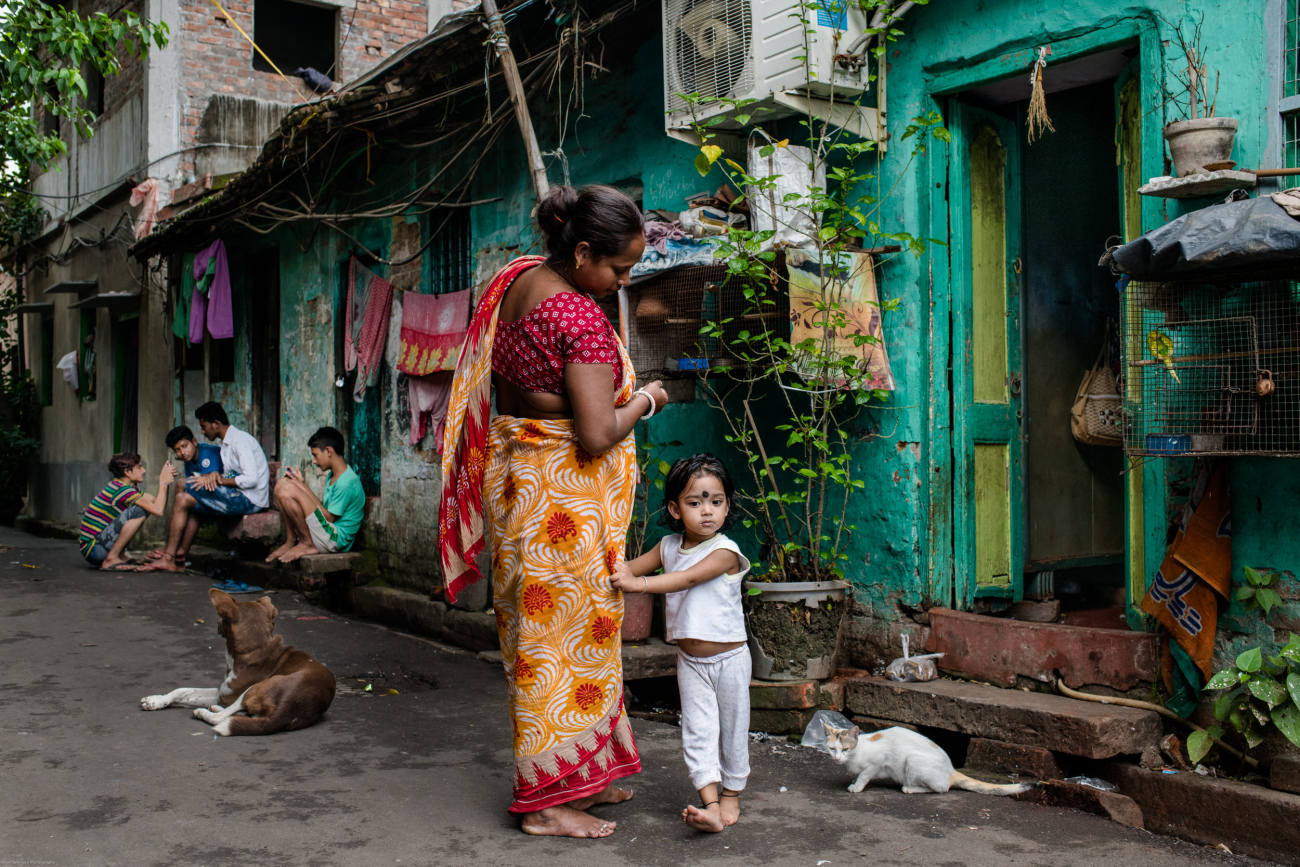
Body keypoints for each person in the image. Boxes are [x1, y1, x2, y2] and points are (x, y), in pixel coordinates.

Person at [437, 185, 669, 839]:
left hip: (522, 494)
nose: (621, 283)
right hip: (562, 508)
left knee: (552, 643)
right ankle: (543, 803)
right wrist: (647, 398)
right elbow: (596, 432)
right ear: (584, 250)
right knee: (559, 648)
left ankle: (577, 776)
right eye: (618, 269)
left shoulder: (517, 283)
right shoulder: (576, 316)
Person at [611, 454, 751, 833]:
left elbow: (685, 579)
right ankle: (710, 805)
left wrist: (638, 585)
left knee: (733, 728)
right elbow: (628, 569)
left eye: (716, 501)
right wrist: (611, 569)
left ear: (727, 506)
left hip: (730, 659)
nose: (707, 511)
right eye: (695, 502)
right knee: (697, 730)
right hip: (690, 661)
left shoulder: (725, 552)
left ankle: (732, 794)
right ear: (675, 508)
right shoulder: (668, 546)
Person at [142, 402, 269, 572]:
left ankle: (171, 550)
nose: (202, 431)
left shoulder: (240, 441)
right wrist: (219, 478)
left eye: (204, 426)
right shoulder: (226, 444)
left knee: (182, 484)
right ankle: (174, 559)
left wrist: (220, 480)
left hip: (250, 500)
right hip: (237, 496)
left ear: (216, 424)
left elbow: (251, 479)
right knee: (184, 499)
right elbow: (233, 475)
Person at [267, 426, 366, 563]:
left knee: (289, 488)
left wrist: (302, 487)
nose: (314, 461)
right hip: (326, 530)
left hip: (334, 540)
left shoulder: (346, 483)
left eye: (315, 455)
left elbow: (329, 518)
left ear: (328, 451)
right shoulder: (333, 475)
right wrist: (303, 485)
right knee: (281, 485)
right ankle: (291, 540)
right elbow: (322, 509)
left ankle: (306, 542)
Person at [79, 452, 176, 570]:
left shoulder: (126, 488)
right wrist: (163, 483)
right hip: (94, 549)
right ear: (127, 472)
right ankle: (111, 559)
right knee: (140, 510)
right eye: (139, 467)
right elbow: (158, 510)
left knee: (143, 508)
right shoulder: (122, 490)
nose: (143, 470)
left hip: (97, 547)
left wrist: (166, 480)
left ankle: (119, 555)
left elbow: (156, 503)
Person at [143, 426, 224, 563]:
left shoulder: (208, 453)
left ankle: (172, 548)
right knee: (189, 508)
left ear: (194, 441)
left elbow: (209, 484)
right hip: (207, 500)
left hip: (222, 498)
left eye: (184, 446)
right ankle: (178, 552)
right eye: (177, 450)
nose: (182, 452)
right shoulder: (189, 459)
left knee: (181, 484)